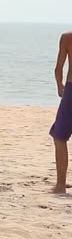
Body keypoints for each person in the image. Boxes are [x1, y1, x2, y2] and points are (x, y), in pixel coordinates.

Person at [50, 32, 72, 193]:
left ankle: (60, 185)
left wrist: (60, 86)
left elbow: (59, 67)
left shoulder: (67, 38)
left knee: (60, 136)